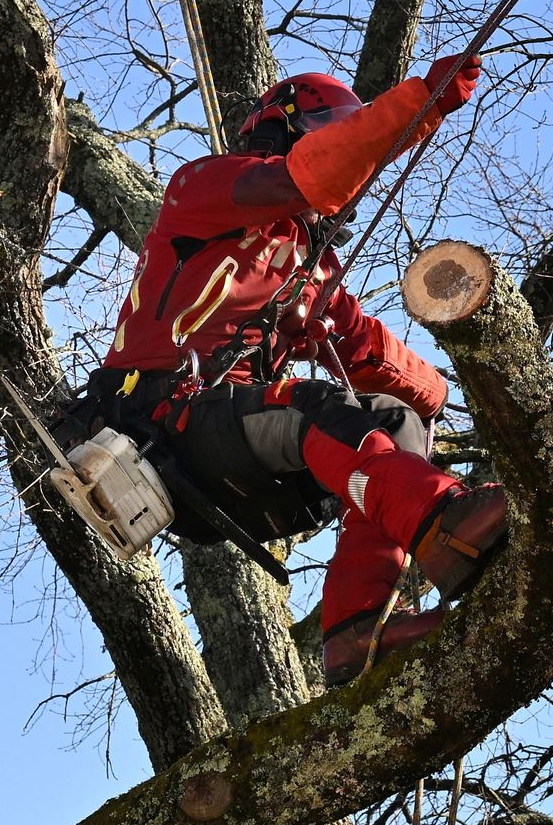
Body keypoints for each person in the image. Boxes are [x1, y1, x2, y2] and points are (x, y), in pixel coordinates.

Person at [73, 54, 505, 688]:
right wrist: (422, 103)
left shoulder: (305, 268)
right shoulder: (207, 189)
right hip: (163, 416)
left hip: (232, 444)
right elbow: (315, 173)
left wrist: (445, 391)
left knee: (397, 421)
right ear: (284, 130)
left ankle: (359, 630)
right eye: (325, 130)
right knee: (316, 410)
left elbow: (361, 344)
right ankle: (444, 526)